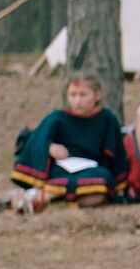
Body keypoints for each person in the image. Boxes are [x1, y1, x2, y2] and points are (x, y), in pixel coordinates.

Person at [11, 72, 129, 207]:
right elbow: (35, 140)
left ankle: (52, 199)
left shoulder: (107, 118)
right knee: (69, 182)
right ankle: (47, 196)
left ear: (97, 95)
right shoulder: (58, 118)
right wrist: (49, 147)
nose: (77, 101)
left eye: (83, 95)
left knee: (99, 185)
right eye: (73, 95)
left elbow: (115, 152)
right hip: (61, 170)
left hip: (92, 171)